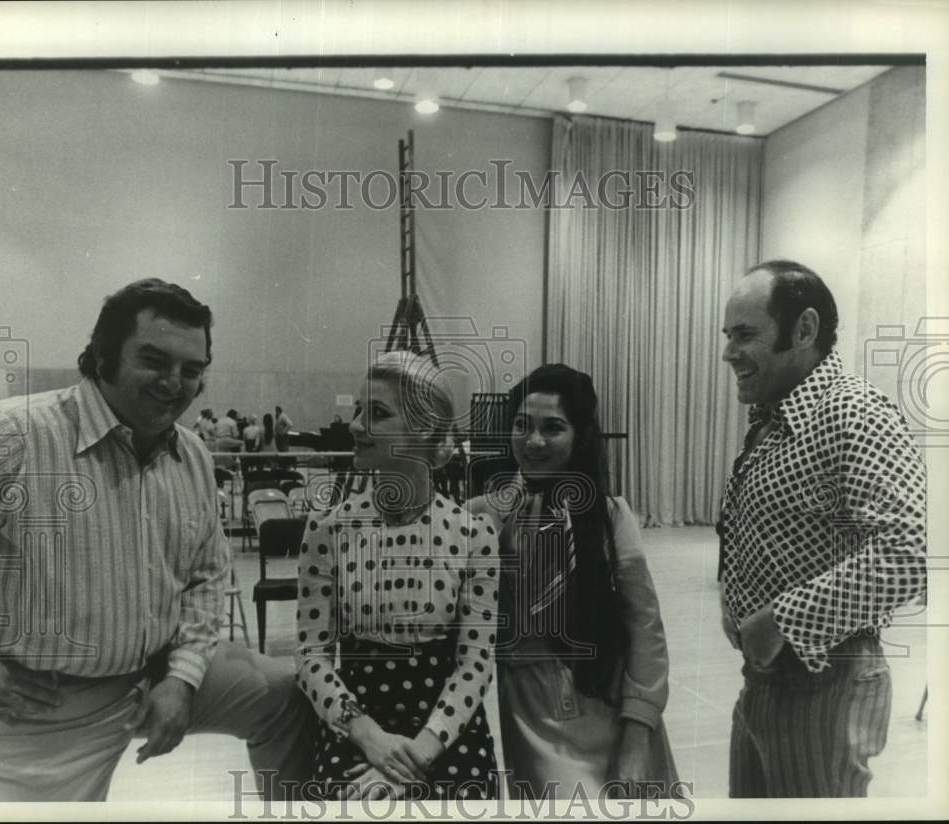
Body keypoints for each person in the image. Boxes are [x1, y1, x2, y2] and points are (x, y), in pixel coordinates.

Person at [0, 278, 315, 801]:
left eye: (191, 370)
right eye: (153, 361)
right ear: (102, 356)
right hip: (39, 703)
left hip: (155, 672)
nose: (173, 382)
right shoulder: (15, 436)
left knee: (287, 698)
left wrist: (184, 676)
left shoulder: (193, 455)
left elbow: (206, 575)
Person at [717, 260, 927, 797]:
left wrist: (780, 620)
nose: (729, 353)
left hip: (826, 688)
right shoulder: (775, 415)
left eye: (746, 336)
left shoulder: (854, 413)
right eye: (728, 336)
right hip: (767, 681)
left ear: (804, 330)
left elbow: (909, 554)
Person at [294, 350, 500, 800]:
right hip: (356, 718)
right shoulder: (327, 528)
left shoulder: (473, 534)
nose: (355, 425)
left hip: (445, 729)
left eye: (377, 413)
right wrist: (367, 736)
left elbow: (476, 663)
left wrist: (417, 754)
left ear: (423, 430)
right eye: (359, 411)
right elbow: (312, 655)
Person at [467, 363, 678, 800]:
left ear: (579, 436)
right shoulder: (483, 516)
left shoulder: (612, 518)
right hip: (533, 713)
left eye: (553, 428)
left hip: (613, 706)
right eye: (522, 426)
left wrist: (638, 736)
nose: (534, 441)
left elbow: (646, 631)